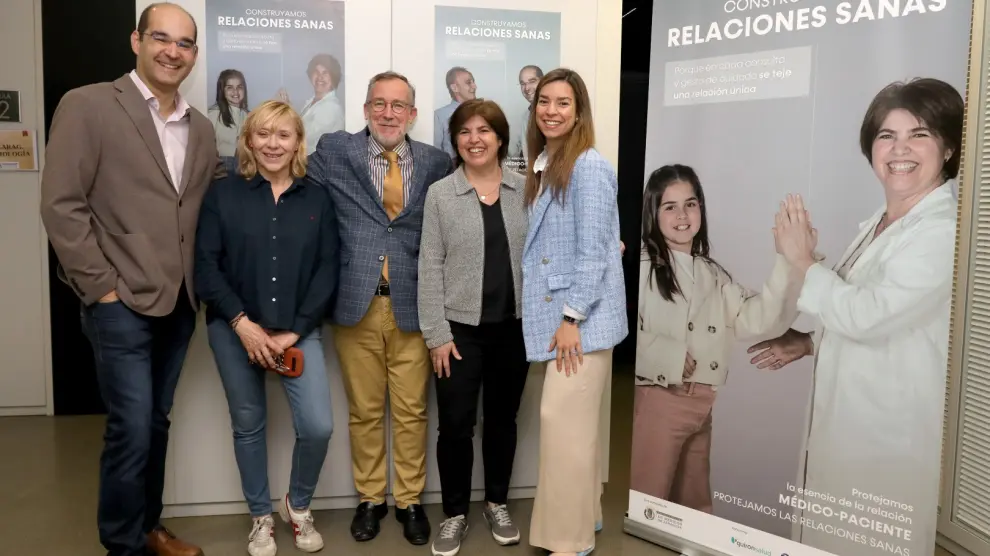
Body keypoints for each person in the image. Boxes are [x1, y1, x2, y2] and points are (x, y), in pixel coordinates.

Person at [748, 77, 963, 556]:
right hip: (848, 428)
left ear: (948, 148)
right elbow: (876, 314)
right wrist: (807, 342)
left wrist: (803, 262)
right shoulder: (882, 222)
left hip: (887, 437)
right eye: (887, 135)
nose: (899, 149)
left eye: (919, 134)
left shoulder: (943, 231)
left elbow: (868, 315)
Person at [39, 3, 224, 556]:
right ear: (136, 41)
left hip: (178, 301)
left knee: (155, 423)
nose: (173, 51)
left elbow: (211, 200)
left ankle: (148, 526)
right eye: (161, 38)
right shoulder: (90, 105)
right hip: (119, 301)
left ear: (194, 54)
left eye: (185, 43)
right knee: (132, 427)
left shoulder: (203, 127)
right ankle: (123, 546)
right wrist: (103, 289)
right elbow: (61, 206)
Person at [307, 71, 454, 546]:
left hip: (415, 304)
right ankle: (371, 498)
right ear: (366, 109)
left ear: (412, 114)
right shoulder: (335, 151)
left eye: (398, 106)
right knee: (365, 412)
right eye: (378, 104)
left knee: (412, 412)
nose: (388, 113)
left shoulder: (436, 163)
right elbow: (286, 178)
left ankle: (409, 501)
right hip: (356, 303)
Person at [194, 100, 339, 556]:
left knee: (317, 426)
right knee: (249, 423)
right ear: (248, 140)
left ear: (299, 142)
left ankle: (297, 507)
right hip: (235, 329)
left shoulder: (317, 198)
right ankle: (261, 517)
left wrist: (294, 331)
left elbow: (327, 269)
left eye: (283, 135)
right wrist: (244, 325)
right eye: (263, 134)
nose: (272, 144)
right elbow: (206, 266)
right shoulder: (223, 195)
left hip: (297, 331)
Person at [629, 164, 802, 513]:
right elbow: (623, 330)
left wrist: (789, 259)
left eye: (691, 204)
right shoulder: (642, 266)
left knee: (694, 510)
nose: (682, 215)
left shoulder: (713, 273)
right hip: (659, 400)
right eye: (670, 206)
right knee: (648, 504)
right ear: (653, 211)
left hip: (703, 407)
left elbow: (759, 319)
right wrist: (669, 354)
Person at [522, 68, 627, 556]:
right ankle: (585, 517)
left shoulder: (587, 165)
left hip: (580, 325)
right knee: (575, 429)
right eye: (544, 101)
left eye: (563, 103)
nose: (551, 111)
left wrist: (571, 319)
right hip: (569, 321)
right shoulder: (547, 163)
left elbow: (590, 255)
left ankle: (570, 541)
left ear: (579, 112)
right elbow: (601, 241)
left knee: (563, 427)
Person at [417, 99, 530, 556]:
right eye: (465, 131)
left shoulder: (527, 189)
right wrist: (436, 335)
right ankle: (455, 514)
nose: (475, 139)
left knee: (503, 421)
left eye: (484, 130)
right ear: (455, 140)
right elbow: (429, 266)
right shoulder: (441, 194)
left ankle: (497, 503)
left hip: (513, 330)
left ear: (501, 138)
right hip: (458, 333)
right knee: (456, 426)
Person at [277, 53, 345, 154]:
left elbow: (304, 136)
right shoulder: (312, 102)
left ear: (333, 77)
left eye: (325, 73)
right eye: (316, 72)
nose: (320, 77)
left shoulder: (331, 108)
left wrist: (287, 109)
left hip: (317, 166)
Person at [208, 69, 249, 174]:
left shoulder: (250, 116)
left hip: (244, 167)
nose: (235, 92)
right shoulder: (214, 114)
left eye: (239, 87)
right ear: (222, 90)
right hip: (220, 168)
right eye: (230, 88)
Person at [434, 67, 477, 158]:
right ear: (454, 88)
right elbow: (435, 153)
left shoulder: (482, 113)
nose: (474, 86)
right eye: (469, 82)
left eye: (473, 82)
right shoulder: (439, 116)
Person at [510, 65, 543, 168]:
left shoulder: (554, 112)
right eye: (522, 84)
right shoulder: (526, 116)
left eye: (532, 81)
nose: (527, 88)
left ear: (543, 81)